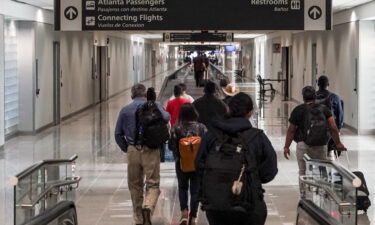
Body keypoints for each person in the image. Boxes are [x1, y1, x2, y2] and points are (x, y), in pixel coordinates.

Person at [196, 92, 278, 225]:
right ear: (250, 113)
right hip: (249, 205)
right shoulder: (258, 137)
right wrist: (252, 177)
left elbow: (198, 165)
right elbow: (270, 170)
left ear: (228, 109)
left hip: (216, 206)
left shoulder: (210, 136)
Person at [114, 84, 170, 225]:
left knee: (135, 185)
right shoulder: (154, 106)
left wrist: (127, 148)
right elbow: (167, 117)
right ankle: (148, 207)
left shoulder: (125, 110)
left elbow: (118, 134)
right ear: (145, 95)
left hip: (133, 149)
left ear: (132, 95)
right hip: (151, 149)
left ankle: (139, 219)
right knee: (152, 183)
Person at [283, 86, 346, 193]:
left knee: (302, 172)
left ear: (303, 97)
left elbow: (291, 130)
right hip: (321, 145)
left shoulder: (298, 110)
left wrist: (286, 146)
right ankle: (321, 194)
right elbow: (333, 127)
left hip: (303, 145)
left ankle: (304, 195)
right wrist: (338, 143)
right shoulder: (324, 109)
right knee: (321, 170)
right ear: (315, 96)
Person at [170, 103, 207, 225]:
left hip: (181, 163)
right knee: (195, 190)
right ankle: (193, 217)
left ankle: (184, 213)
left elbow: (171, 146)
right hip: (197, 164)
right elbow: (206, 146)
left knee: (183, 187)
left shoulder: (176, 128)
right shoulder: (201, 128)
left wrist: (178, 156)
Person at [316, 75, 344, 156]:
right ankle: (330, 157)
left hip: (315, 131)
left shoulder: (312, 97)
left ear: (318, 84)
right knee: (330, 152)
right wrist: (338, 130)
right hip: (330, 131)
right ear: (328, 84)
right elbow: (340, 116)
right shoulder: (335, 97)